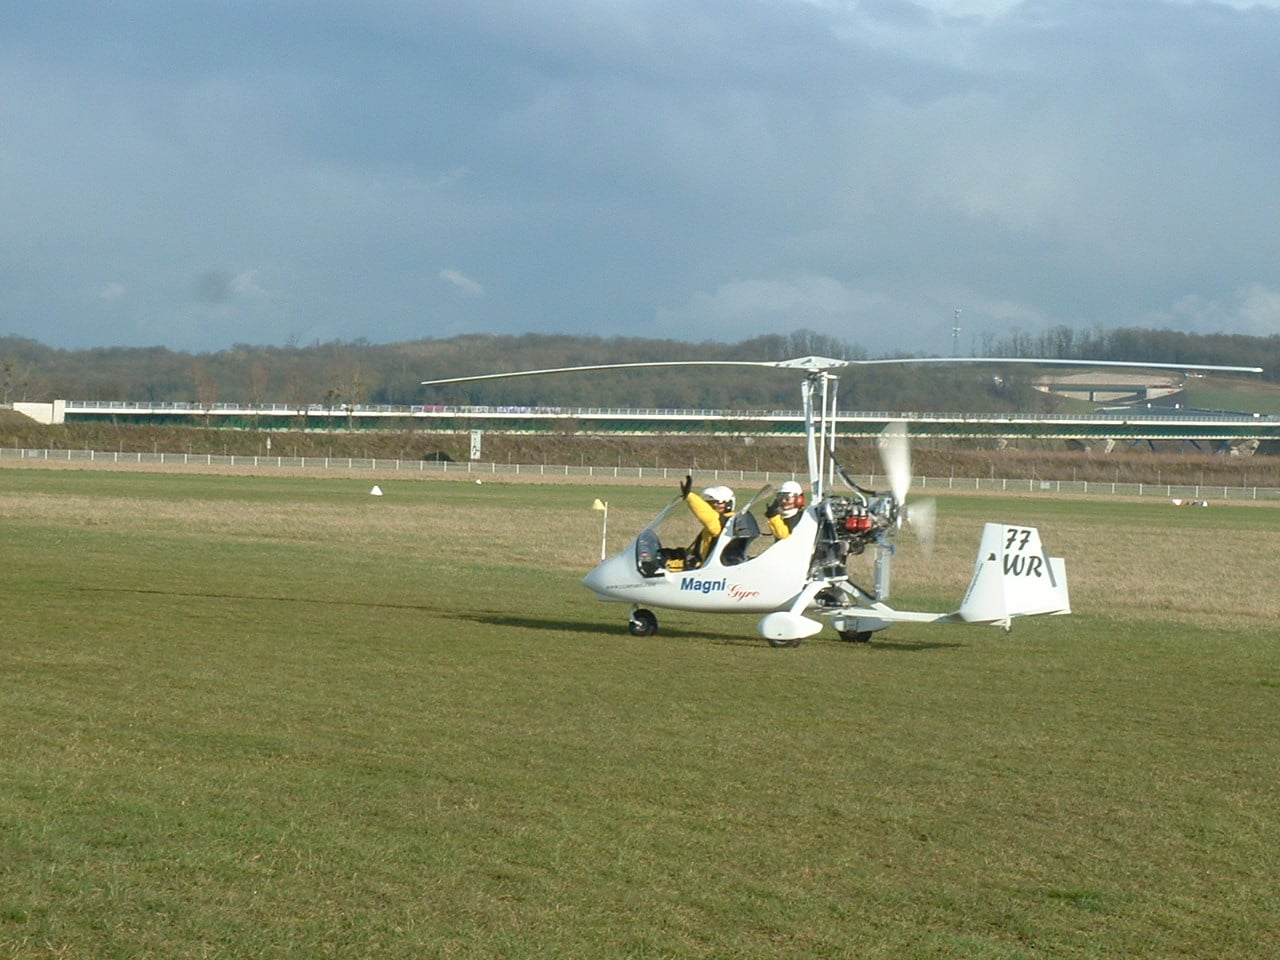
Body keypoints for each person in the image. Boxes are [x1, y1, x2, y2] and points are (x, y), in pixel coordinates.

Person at [677, 475, 736, 567]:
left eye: (718, 503)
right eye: (710, 503)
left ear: (729, 504)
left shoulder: (725, 523)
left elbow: (710, 518)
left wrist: (690, 497)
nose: (714, 506)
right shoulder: (727, 521)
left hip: (713, 571)